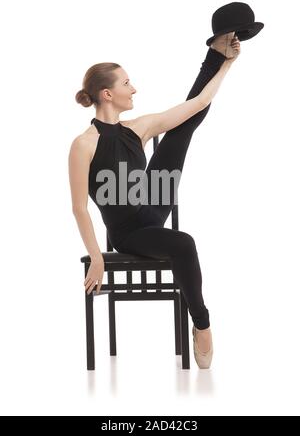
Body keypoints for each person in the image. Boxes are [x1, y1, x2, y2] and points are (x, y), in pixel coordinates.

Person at [69, 33, 241, 368]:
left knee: (183, 125)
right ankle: (202, 324)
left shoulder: (139, 127)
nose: (134, 89)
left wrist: (224, 65)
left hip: (153, 201)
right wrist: (96, 256)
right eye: (127, 83)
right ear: (108, 94)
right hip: (130, 233)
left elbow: (198, 104)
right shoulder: (83, 145)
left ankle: (214, 51)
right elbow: (79, 208)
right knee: (184, 243)